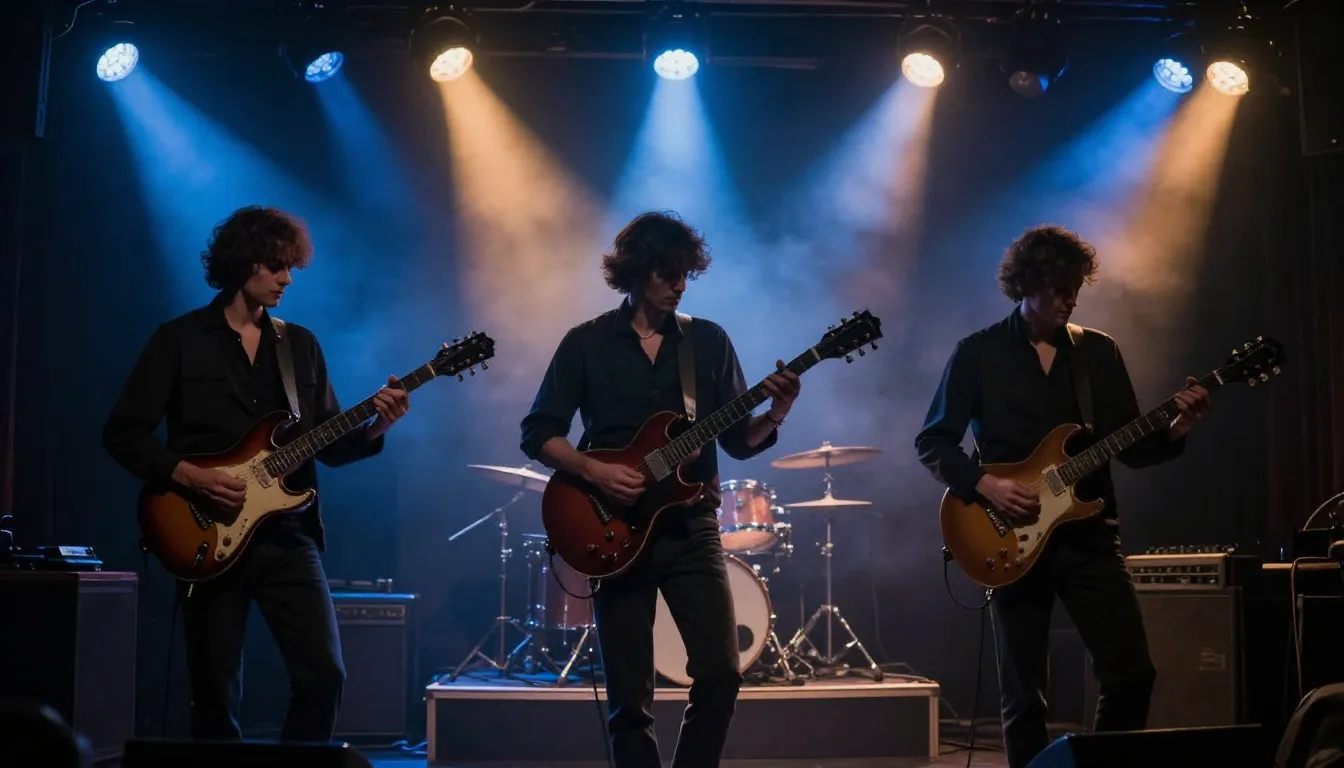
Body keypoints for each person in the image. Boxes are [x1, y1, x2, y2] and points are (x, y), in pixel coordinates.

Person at [102, 206, 411, 742]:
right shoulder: (179, 340)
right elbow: (123, 433)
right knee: (215, 695)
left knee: (324, 676)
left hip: (288, 538)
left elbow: (328, 447)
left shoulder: (300, 346)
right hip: (204, 533)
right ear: (243, 263)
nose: (287, 278)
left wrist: (378, 425)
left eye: (291, 266)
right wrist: (190, 477)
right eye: (276, 265)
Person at [913, 224, 1212, 768]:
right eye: (1057, 288)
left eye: (1075, 287)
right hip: (1008, 538)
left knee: (1132, 673)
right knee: (1025, 696)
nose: (1070, 298)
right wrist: (986, 484)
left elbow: (1130, 447)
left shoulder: (1097, 352)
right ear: (1026, 283)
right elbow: (933, 442)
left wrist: (1177, 427)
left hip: (1089, 538)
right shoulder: (978, 352)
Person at [520, 210, 801, 767]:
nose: (680, 286)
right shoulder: (586, 343)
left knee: (721, 672)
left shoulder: (707, 341)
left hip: (689, 528)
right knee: (629, 698)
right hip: (613, 529)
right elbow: (537, 434)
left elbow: (739, 442)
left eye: (685, 274)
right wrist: (594, 471)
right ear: (636, 271)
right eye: (668, 273)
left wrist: (776, 412)